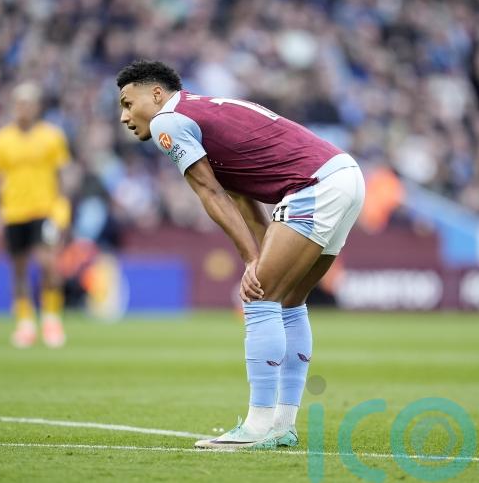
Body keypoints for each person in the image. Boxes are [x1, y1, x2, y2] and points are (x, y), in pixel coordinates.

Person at [116, 60, 364, 449]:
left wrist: (253, 262)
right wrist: (260, 255)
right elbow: (240, 195)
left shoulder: (169, 121)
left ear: (157, 94)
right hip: (345, 175)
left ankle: (257, 426)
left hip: (313, 185)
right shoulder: (205, 112)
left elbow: (210, 195)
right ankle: (282, 425)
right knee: (290, 301)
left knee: (259, 296)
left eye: (128, 104)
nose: (124, 117)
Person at [0, 82, 72, 349]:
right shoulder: (0, 140)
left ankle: (50, 319)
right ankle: (25, 323)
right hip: (13, 212)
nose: (24, 108)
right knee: (19, 269)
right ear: (14, 106)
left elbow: (62, 176)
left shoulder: (52, 137)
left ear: (37, 107)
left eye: (29, 103)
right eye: (20, 103)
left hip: (45, 209)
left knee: (48, 262)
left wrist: (63, 209)